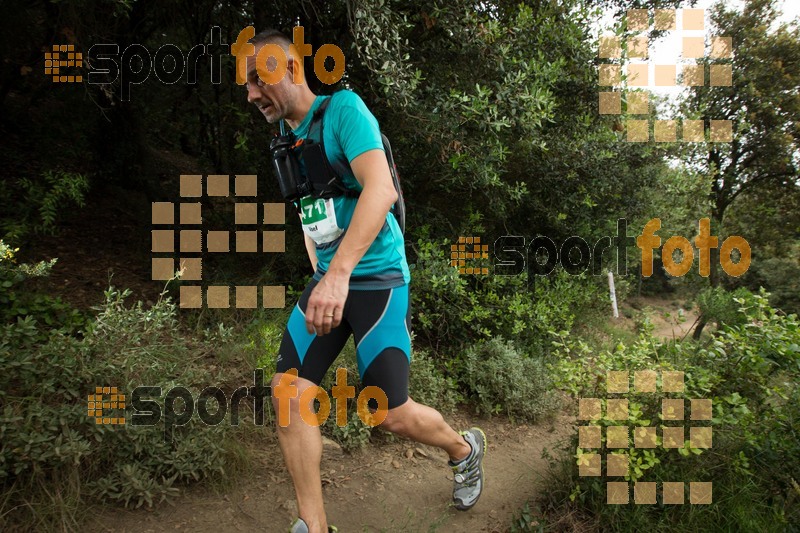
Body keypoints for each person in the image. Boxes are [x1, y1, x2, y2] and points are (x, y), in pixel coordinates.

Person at [243, 29, 486, 533]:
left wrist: (338, 275)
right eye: (244, 85)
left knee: (389, 414)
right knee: (289, 391)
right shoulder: (285, 140)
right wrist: (320, 274)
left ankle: (463, 449)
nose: (250, 94)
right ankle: (313, 525)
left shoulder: (344, 111)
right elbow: (308, 212)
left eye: (256, 80)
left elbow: (379, 189)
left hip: (376, 277)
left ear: (288, 69)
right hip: (332, 276)